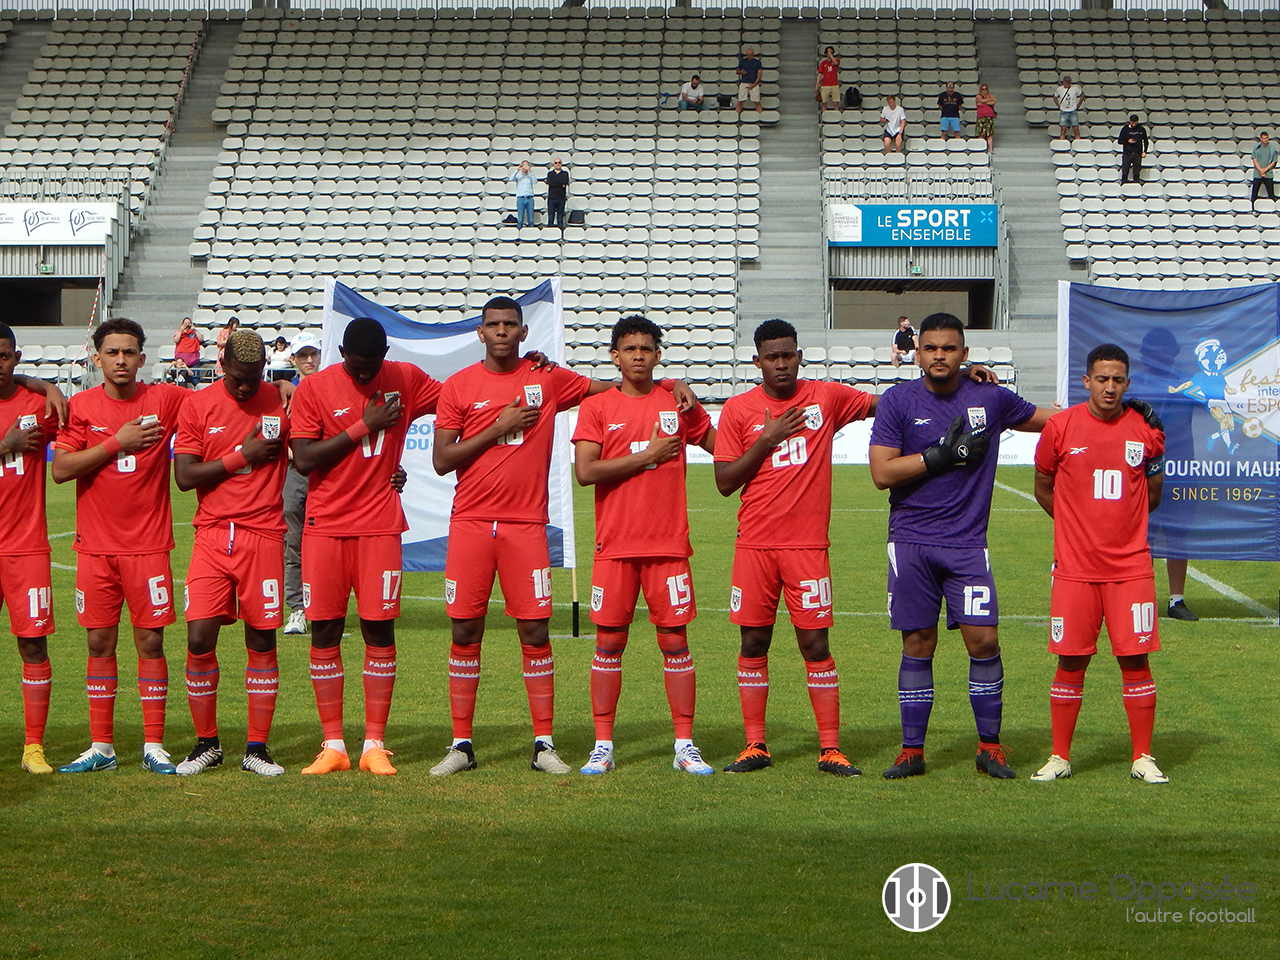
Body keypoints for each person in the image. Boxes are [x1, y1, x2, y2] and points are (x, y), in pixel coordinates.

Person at [428, 296, 694, 777]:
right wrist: (498, 427)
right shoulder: (459, 386)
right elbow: (442, 460)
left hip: (527, 525)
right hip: (470, 522)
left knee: (535, 631)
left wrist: (672, 383)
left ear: (524, 332)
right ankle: (461, 744)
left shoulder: (547, 378)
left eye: (510, 324)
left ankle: (544, 744)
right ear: (481, 333)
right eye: (494, 325)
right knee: (464, 630)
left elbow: (617, 384)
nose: (502, 331)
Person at [868, 313, 1055, 781]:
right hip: (910, 541)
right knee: (918, 642)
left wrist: (1111, 409)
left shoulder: (989, 397)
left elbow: (1049, 421)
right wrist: (939, 456)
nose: (939, 356)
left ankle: (990, 747)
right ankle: (912, 751)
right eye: (931, 348)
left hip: (967, 544)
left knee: (984, 640)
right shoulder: (897, 401)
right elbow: (882, 473)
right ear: (917, 353)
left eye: (949, 349)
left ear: (965, 354)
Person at [713, 319, 874, 777]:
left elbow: (892, 403)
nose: (781, 363)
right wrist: (766, 439)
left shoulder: (826, 397)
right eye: (772, 357)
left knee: (815, 643)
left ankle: (830, 748)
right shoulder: (739, 410)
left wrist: (958, 380)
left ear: (799, 356)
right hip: (755, 546)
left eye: (788, 355)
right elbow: (724, 481)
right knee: (753, 641)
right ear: (757, 361)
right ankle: (755, 744)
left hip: (807, 547)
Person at [289, 317, 442, 776]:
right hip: (325, 528)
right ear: (341, 354)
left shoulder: (405, 378)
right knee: (325, 631)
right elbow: (304, 458)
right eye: (356, 366)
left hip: (379, 527)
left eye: (372, 366)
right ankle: (334, 744)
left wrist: (525, 368)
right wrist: (363, 425)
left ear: (385, 355)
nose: (364, 374)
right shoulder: (314, 389)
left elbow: (459, 397)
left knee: (379, 631)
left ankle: (374, 743)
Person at [571, 315, 717, 776]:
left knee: (675, 642)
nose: (638, 355)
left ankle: (684, 744)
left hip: (668, 547)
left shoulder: (676, 402)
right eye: (630, 349)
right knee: (608, 643)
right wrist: (647, 456)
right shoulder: (597, 407)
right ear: (615, 357)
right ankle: (603, 745)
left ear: (658, 355)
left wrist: (688, 399)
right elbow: (585, 472)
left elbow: (720, 447)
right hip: (614, 545)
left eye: (646, 348)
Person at [52, 318, 190, 775]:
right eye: (112, 352)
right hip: (95, 548)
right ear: (97, 359)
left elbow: (218, 399)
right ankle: (102, 747)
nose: (121, 360)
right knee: (99, 641)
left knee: (150, 640)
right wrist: (118, 441)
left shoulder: (165, 400)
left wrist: (282, 386)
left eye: (129, 352)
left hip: (148, 547)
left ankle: (154, 744)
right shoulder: (82, 406)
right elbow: (61, 469)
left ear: (142, 358)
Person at [1030, 344, 1168, 784]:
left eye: (1118, 380)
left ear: (1128, 383)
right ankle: (1059, 757)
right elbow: (1043, 486)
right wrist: (1077, 527)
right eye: (1102, 379)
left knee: (1136, 661)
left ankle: (1143, 757)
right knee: (1071, 662)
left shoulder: (1145, 431)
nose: (1110, 387)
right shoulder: (1060, 427)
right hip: (1075, 571)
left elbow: (1154, 495)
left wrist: (1119, 526)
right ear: (1086, 381)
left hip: (1131, 570)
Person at [172, 330, 290, 777]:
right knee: (199, 637)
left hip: (264, 535)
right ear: (221, 365)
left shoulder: (280, 400)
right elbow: (185, 477)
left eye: (254, 378)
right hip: (212, 534)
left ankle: (257, 748)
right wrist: (243, 455)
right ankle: (207, 744)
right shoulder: (198, 405)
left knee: (261, 639)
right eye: (238, 377)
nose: (245, 387)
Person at [0, 324, 61, 774]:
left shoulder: (37, 405)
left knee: (34, 646)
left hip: (26, 547)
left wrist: (46, 386)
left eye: (3, 356)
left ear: (16, 358)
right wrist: (7, 445)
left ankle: (33, 748)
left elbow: (78, 417)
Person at [282, 332, 321, 636]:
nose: (309, 360)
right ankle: (297, 608)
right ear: (293, 359)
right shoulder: (282, 394)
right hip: (295, 473)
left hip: (326, 473)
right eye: (303, 355)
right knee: (293, 543)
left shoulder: (329, 388)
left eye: (314, 354)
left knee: (325, 544)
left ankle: (322, 606)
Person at [1118, 115, 1149, 184]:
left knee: (1136, 173)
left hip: (1137, 154)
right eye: (1133, 123)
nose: (1134, 124)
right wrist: (1127, 141)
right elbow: (1120, 141)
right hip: (1127, 154)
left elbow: (1145, 141)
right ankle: (1124, 184)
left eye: (1135, 123)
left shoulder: (1141, 129)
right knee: (1125, 172)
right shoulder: (1125, 129)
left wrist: (1145, 151)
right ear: (1130, 121)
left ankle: (1136, 185)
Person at [1053, 76, 1084, 141]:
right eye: (1066, 82)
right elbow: (1054, 96)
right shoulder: (1059, 89)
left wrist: (1079, 104)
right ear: (1063, 82)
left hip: (1073, 111)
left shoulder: (1075, 88)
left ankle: (1078, 144)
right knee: (1063, 132)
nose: (1068, 83)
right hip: (1063, 111)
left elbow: (1082, 94)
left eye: (1069, 82)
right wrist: (1058, 105)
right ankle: (1061, 144)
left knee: (1076, 131)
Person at [1250, 131, 1277, 207]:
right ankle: (1253, 208)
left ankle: (1273, 208)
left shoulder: (1272, 149)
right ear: (1261, 139)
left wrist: (1264, 170)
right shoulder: (1256, 148)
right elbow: (1254, 160)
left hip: (1268, 174)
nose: (1265, 139)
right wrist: (1260, 170)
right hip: (1257, 174)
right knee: (1254, 194)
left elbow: (1273, 161)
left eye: (1266, 138)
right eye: (1264, 138)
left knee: (1271, 194)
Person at [736, 47, 764, 115]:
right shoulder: (743, 61)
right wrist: (741, 72)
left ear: (753, 54)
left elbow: (759, 75)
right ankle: (735, 117)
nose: (748, 56)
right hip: (744, 82)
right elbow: (737, 71)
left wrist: (754, 84)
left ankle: (761, 116)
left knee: (757, 102)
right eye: (747, 55)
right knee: (740, 102)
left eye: (750, 55)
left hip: (753, 83)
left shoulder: (757, 62)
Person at [508, 160, 536, 230]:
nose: (525, 167)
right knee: (520, 219)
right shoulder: (518, 175)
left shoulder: (530, 175)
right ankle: (519, 233)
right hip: (521, 198)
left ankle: (531, 233)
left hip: (530, 198)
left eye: (526, 165)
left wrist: (530, 171)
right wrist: (517, 169)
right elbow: (511, 179)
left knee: (531, 219)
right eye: (524, 165)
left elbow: (535, 181)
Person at [545, 157, 569, 231]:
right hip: (551, 198)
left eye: (559, 162)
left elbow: (565, 182)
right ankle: (549, 233)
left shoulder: (565, 174)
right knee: (551, 217)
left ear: (561, 164)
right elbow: (550, 183)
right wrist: (560, 184)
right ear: (553, 164)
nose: (557, 164)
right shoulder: (550, 174)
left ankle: (560, 233)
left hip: (561, 198)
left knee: (560, 218)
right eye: (556, 162)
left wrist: (555, 183)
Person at [816, 47, 840, 113]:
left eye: (831, 52)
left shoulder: (836, 60)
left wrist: (830, 53)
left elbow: (835, 63)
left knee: (836, 103)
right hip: (825, 85)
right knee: (824, 103)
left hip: (834, 85)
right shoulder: (823, 63)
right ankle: (824, 116)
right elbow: (820, 74)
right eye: (828, 52)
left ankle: (836, 116)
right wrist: (816, 85)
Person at [974, 83, 997, 152]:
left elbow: (992, 102)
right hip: (981, 117)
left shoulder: (991, 95)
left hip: (989, 117)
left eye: (985, 89)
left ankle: (990, 149)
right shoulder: (978, 96)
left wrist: (983, 102)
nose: (984, 90)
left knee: (989, 134)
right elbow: (980, 100)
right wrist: (989, 100)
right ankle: (980, 148)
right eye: (982, 89)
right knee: (980, 134)